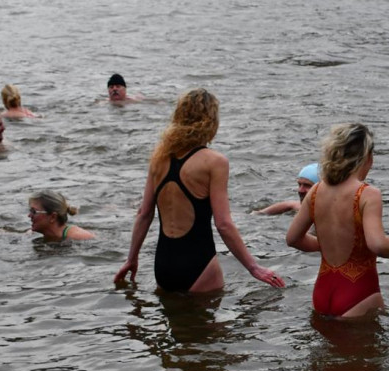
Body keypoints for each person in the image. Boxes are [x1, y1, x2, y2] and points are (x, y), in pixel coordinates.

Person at [115, 88, 284, 293]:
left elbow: (143, 214)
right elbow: (223, 224)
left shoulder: (159, 158)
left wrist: (131, 259)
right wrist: (253, 267)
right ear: (211, 121)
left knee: (174, 321)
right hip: (199, 265)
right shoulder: (215, 161)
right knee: (208, 321)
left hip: (163, 264)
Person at [286, 123, 389, 318]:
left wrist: (328, 245)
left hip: (322, 291)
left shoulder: (316, 190)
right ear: (367, 157)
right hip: (358, 293)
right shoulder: (367, 194)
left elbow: (293, 238)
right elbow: (377, 243)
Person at [28, 190, 94, 242]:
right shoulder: (31, 233)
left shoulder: (79, 237)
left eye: (34, 212)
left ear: (52, 217)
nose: (29, 215)